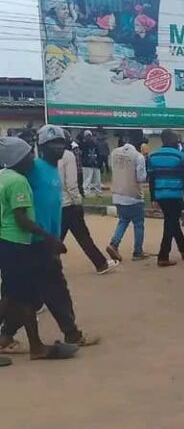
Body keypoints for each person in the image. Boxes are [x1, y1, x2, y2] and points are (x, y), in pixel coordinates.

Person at [0, 129, 99, 352]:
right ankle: (71, 333)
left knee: (28, 294)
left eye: (60, 143)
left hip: (46, 241)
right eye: (52, 143)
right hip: (33, 242)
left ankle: (6, 335)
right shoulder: (31, 169)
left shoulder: (55, 169)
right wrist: (45, 238)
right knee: (54, 288)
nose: (58, 147)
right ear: (41, 148)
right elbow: (13, 186)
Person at [58, 130, 117, 275]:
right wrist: (78, 200)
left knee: (57, 237)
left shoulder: (44, 157)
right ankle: (101, 264)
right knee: (83, 236)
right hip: (70, 203)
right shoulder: (68, 155)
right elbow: (71, 183)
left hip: (55, 204)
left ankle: (100, 263)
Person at [147, 129, 184, 267]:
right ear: (173, 141)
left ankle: (183, 249)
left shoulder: (152, 156)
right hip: (176, 194)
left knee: (172, 221)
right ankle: (163, 256)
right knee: (170, 223)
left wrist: (153, 197)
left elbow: (151, 178)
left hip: (160, 194)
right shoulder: (180, 156)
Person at [107, 130, 149, 261]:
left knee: (123, 220)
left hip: (117, 194)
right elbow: (141, 178)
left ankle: (114, 244)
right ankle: (138, 251)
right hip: (133, 195)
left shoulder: (114, 153)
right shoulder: (138, 157)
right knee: (138, 223)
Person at [79, 130, 103, 196]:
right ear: (85, 136)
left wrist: (99, 163)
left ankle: (98, 192)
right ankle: (86, 192)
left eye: (89, 136)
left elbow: (99, 154)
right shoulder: (82, 144)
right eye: (87, 136)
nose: (88, 137)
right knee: (87, 179)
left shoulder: (95, 144)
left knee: (97, 180)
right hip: (86, 164)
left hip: (95, 164)